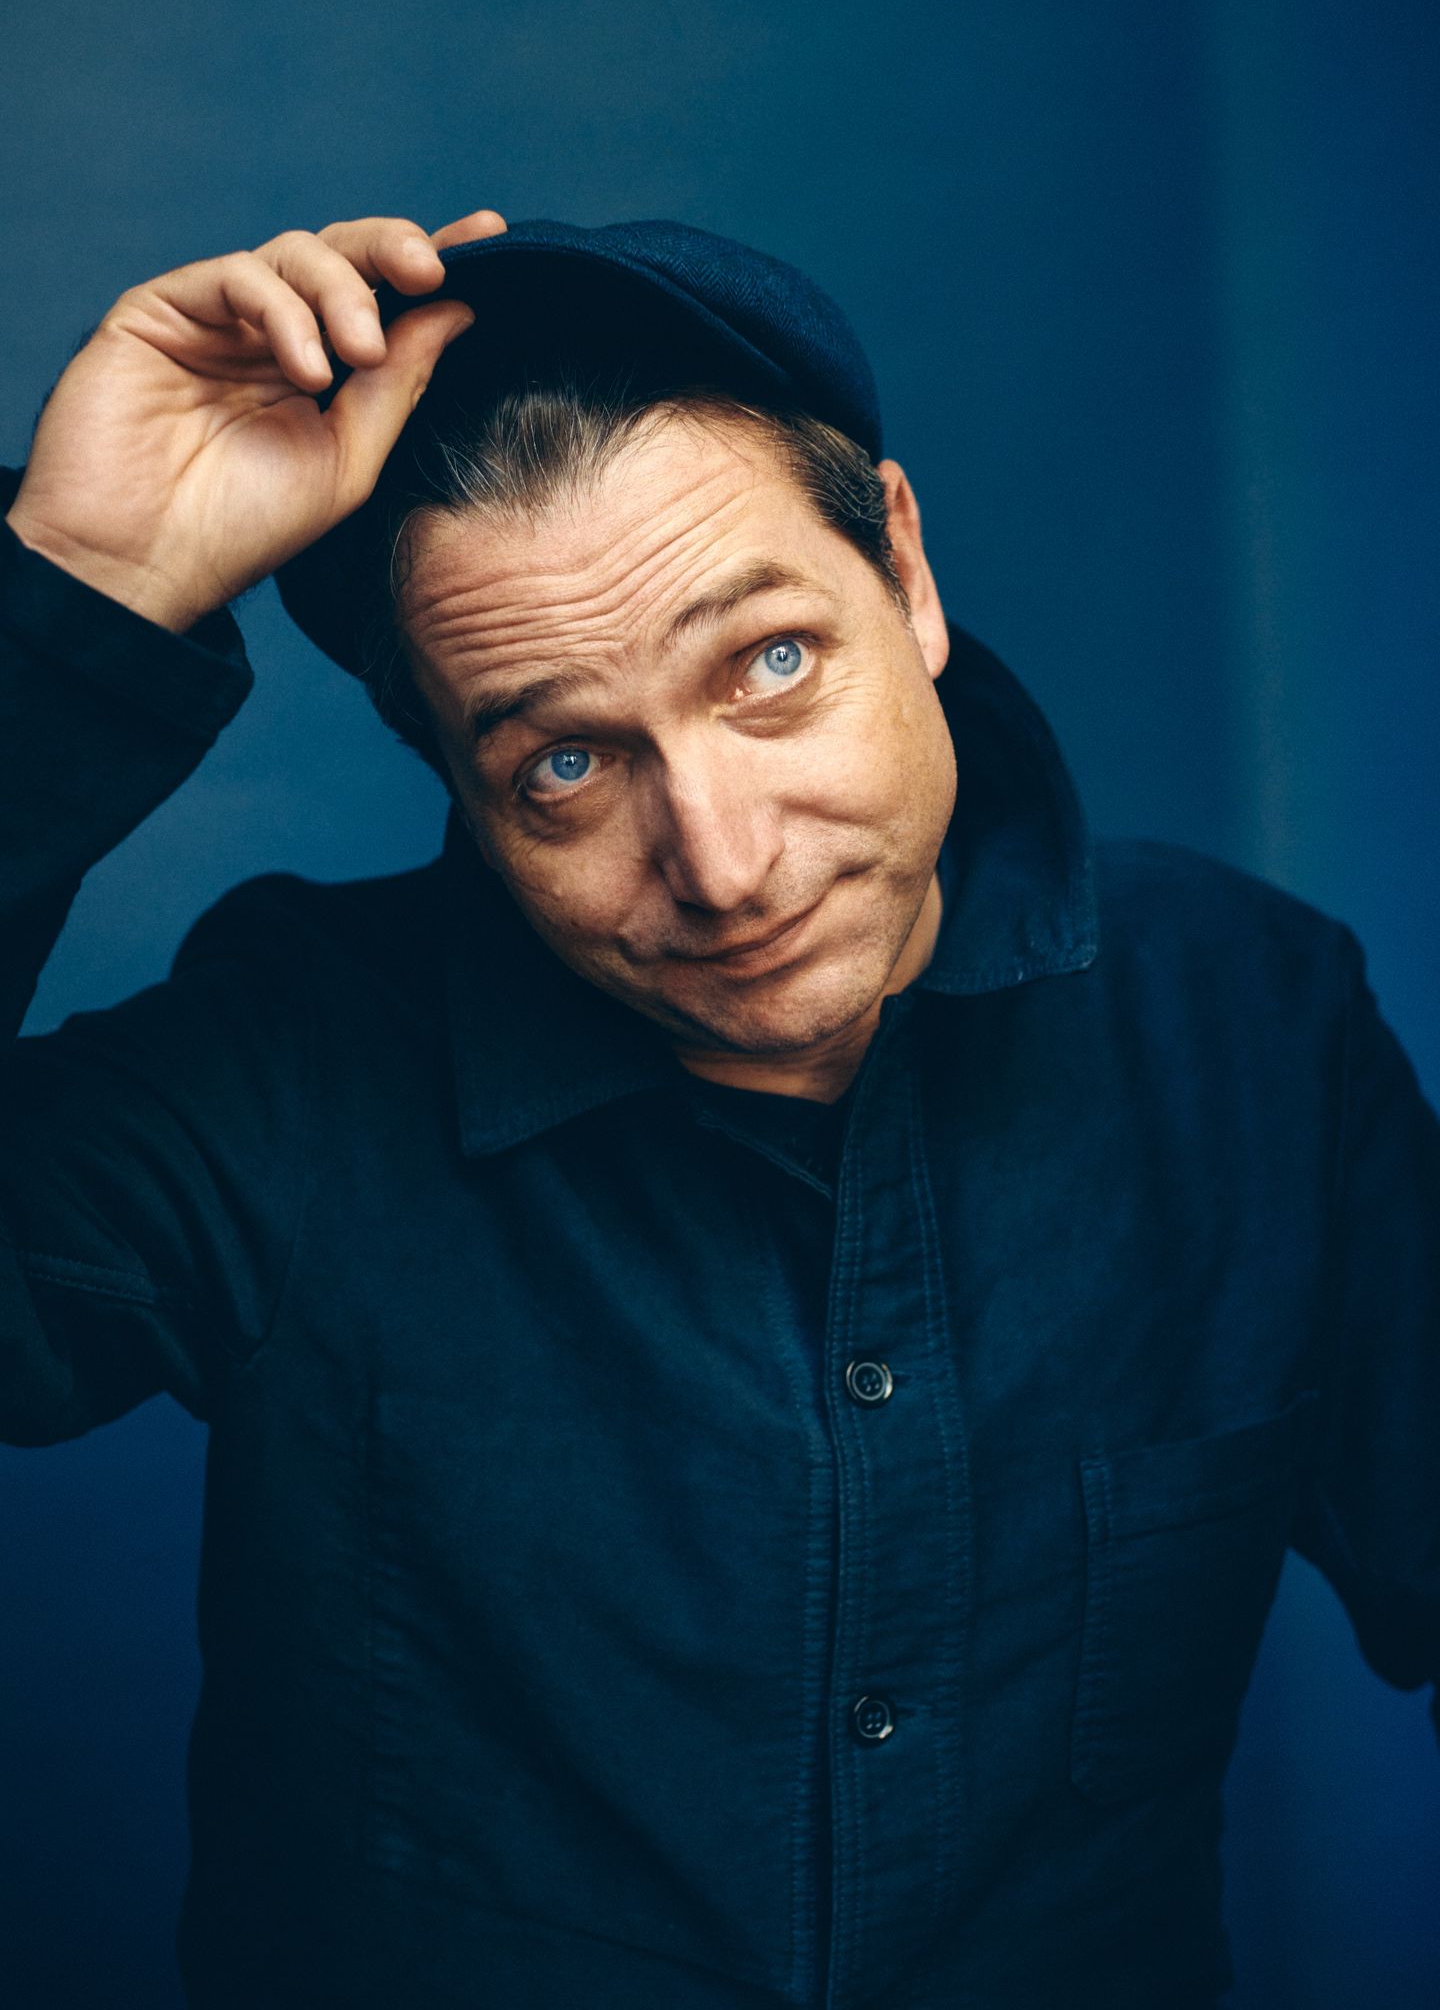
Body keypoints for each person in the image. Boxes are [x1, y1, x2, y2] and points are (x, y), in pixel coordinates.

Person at [1, 205, 1435, 2010]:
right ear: (454, 784)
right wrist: (72, 600)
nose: (725, 863)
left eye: (769, 664)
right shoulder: (283, 1070)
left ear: (904, 570)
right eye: (566, 763)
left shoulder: (1256, 1025)